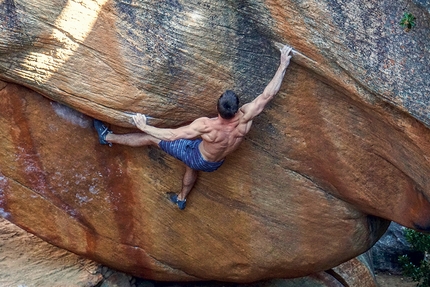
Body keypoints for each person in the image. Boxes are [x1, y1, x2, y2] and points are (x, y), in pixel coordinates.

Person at [94, 45, 292, 210]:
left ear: (217, 108)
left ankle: (108, 137)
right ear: (238, 107)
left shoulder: (207, 126)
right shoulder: (246, 117)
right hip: (217, 161)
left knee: (153, 139)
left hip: (199, 156)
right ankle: (181, 199)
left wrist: (145, 127)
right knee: (191, 164)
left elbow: (171, 135)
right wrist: (283, 64)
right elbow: (268, 95)